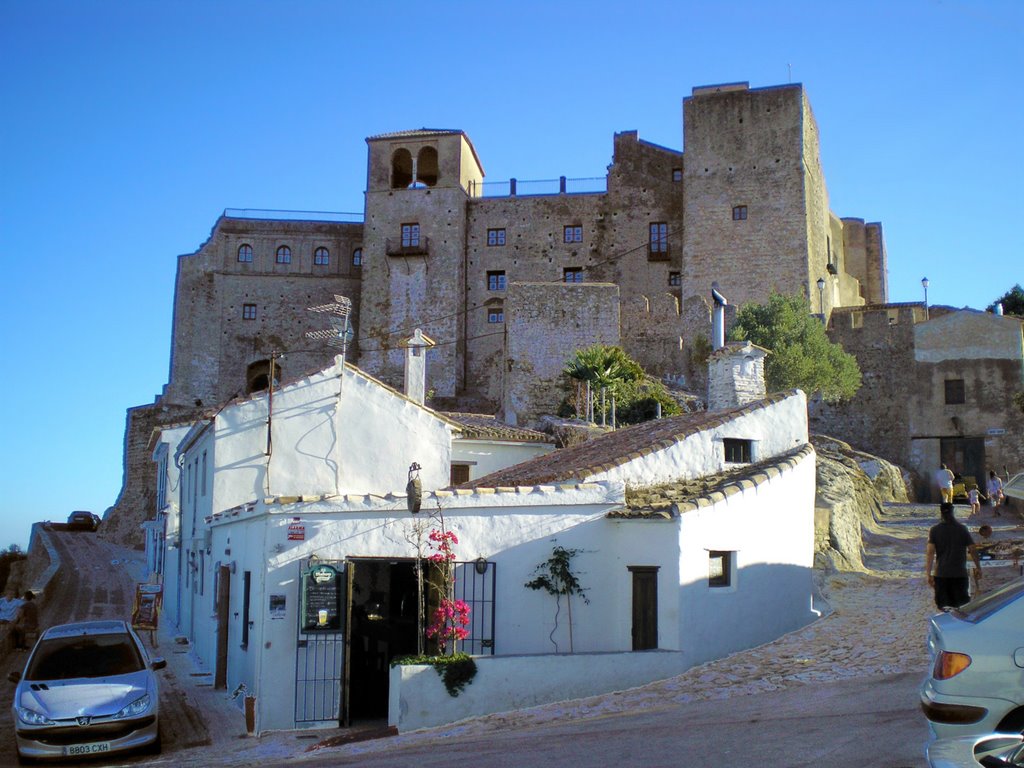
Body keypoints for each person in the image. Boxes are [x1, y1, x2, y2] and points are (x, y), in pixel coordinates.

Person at [926, 502, 982, 610]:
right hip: (959, 574)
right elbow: (973, 550)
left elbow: (930, 553)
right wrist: (978, 567)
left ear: (941, 513)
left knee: (943, 607)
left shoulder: (934, 530)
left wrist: (928, 574)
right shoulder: (962, 529)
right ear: (953, 512)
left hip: (941, 574)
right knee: (961, 607)